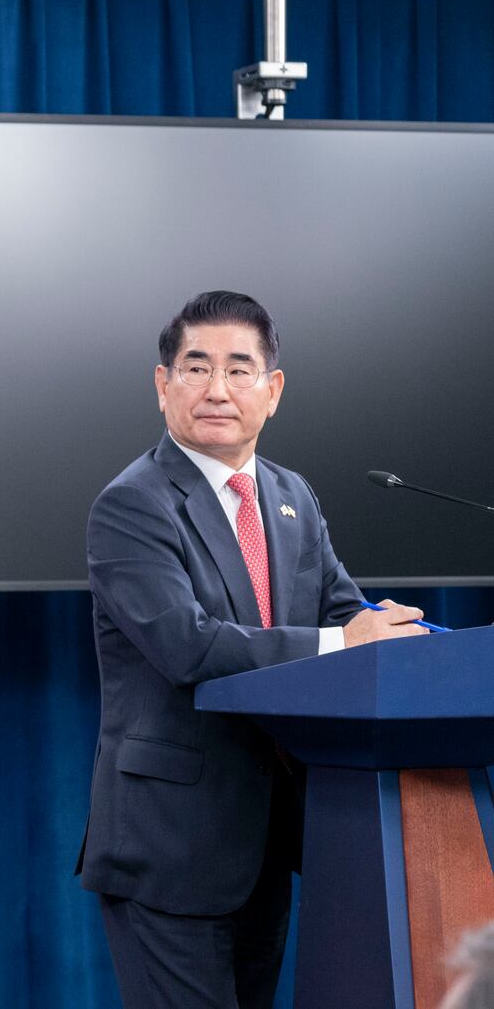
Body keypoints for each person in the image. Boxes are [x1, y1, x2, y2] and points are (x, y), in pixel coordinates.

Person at [77, 290, 427, 1008]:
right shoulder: (133, 505)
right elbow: (189, 647)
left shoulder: (289, 493)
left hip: (267, 843)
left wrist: (404, 637)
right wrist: (343, 638)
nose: (216, 389)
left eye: (240, 370)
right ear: (162, 383)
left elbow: (338, 610)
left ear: (273, 391)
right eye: (196, 367)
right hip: (169, 850)